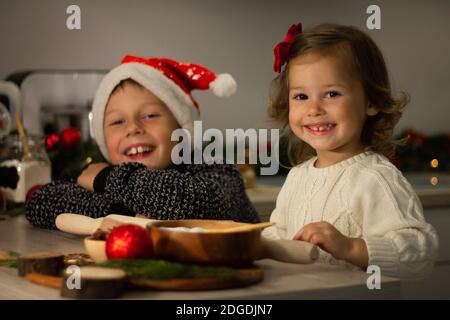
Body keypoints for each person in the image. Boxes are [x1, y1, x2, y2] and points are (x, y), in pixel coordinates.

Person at [262, 22, 438, 279]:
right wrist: (254, 243)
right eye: (301, 97)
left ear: (371, 101)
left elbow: (420, 254)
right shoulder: (297, 177)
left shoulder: (376, 178)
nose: (314, 109)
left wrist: (351, 247)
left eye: (332, 93)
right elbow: (277, 234)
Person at [26, 55, 259, 229]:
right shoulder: (105, 177)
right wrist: (121, 213)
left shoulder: (217, 172)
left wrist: (106, 180)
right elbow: (40, 203)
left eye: (150, 116)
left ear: (181, 127)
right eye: (117, 121)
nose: (133, 128)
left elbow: (194, 202)